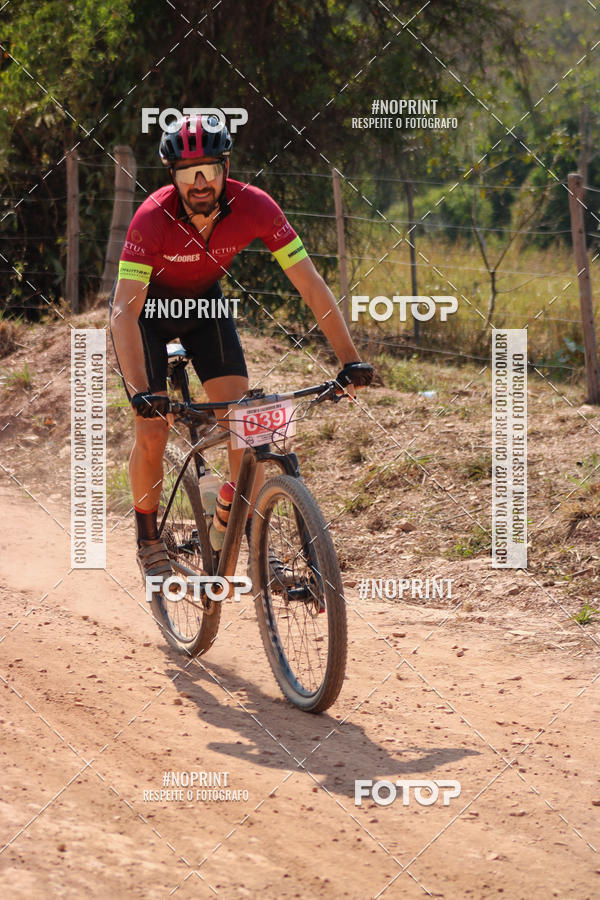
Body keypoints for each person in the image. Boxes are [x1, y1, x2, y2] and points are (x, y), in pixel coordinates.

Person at [109, 113, 373, 584]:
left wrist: (349, 359)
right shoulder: (152, 218)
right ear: (172, 176)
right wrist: (139, 391)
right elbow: (123, 312)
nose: (200, 182)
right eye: (189, 173)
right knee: (152, 430)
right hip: (147, 316)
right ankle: (149, 540)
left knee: (244, 425)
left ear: (225, 168)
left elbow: (310, 286)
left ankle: (239, 526)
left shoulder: (256, 207)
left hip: (206, 311)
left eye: (209, 170)